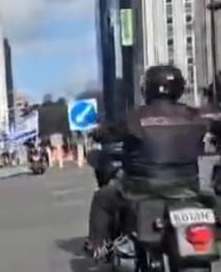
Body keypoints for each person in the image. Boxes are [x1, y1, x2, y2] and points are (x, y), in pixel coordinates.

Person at [86, 64, 221, 258]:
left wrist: (97, 133)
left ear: (147, 88)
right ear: (180, 88)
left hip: (141, 188)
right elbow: (216, 124)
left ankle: (97, 245)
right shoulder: (196, 115)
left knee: (102, 199)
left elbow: (109, 133)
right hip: (187, 186)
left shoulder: (135, 116)